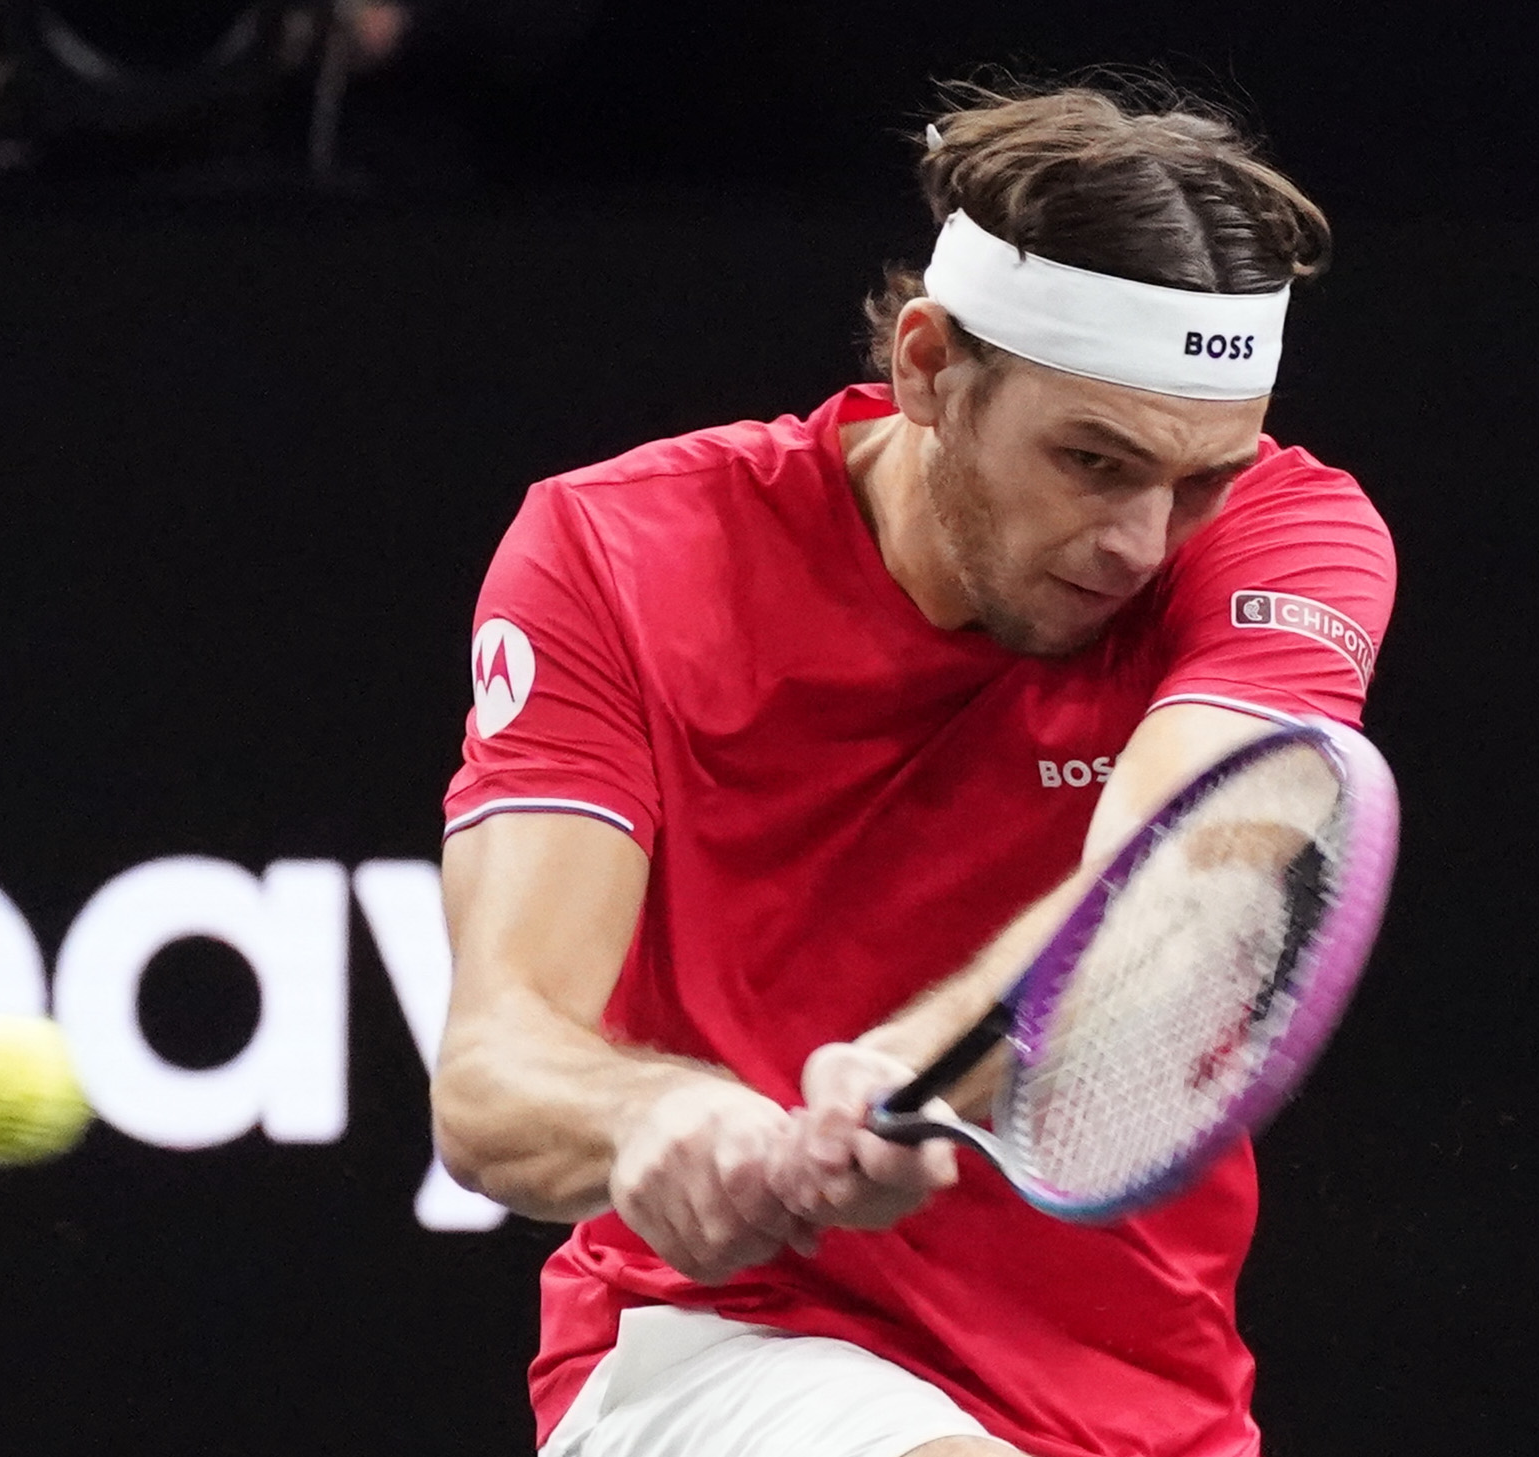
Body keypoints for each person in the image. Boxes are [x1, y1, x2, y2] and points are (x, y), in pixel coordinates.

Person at [433, 80, 1396, 1457]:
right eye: (1092, 460)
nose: (1141, 543)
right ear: (931, 366)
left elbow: (1172, 886)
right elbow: (491, 1070)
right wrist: (658, 1112)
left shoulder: (1292, 540)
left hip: (1147, 1402)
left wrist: (908, 1069)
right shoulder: (619, 551)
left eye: (1200, 481)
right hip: (724, 1351)